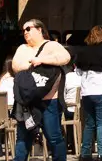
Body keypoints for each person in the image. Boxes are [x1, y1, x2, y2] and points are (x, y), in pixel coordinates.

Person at [12, 19, 71, 161]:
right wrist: (32, 63)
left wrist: (43, 60)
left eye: (28, 29)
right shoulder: (22, 48)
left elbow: (65, 57)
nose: (25, 32)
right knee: (23, 138)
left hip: (49, 101)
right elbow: (16, 66)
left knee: (54, 137)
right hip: (27, 101)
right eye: (23, 30)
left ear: (39, 29)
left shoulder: (51, 45)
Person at [70, 27, 102, 159]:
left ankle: (85, 153)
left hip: (86, 92)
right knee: (101, 123)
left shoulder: (82, 52)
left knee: (89, 123)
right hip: (101, 90)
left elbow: (78, 72)